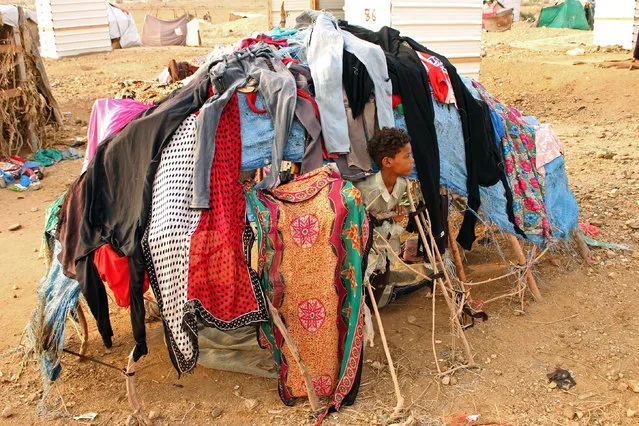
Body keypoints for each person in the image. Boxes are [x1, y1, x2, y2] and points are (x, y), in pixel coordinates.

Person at [355, 128, 432, 308]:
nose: (412, 160)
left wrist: (397, 220)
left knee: (378, 291)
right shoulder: (363, 188)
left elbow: (397, 225)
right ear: (387, 161)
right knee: (364, 294)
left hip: (387, 251)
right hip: (364, 253)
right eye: (407, 156)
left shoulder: (402, 186)